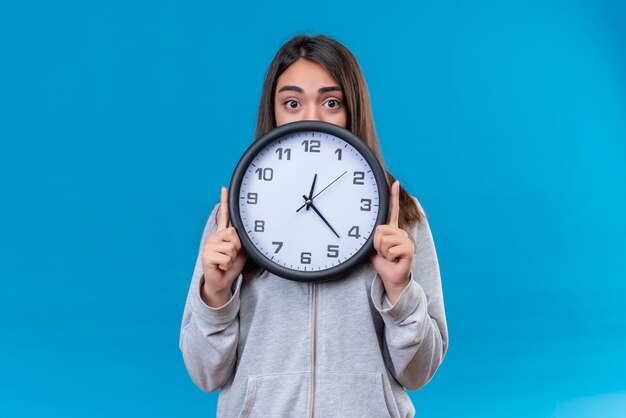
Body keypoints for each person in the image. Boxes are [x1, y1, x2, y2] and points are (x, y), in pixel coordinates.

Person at [179, 34, 448, 418]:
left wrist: (399, 290)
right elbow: (205, 374)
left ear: (352, 110)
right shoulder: (233, 219)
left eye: (331, 102)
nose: (311, 118)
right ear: (273, 112)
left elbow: (419, 372)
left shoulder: (400, 215)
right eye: (292, 102)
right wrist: (217, 294)